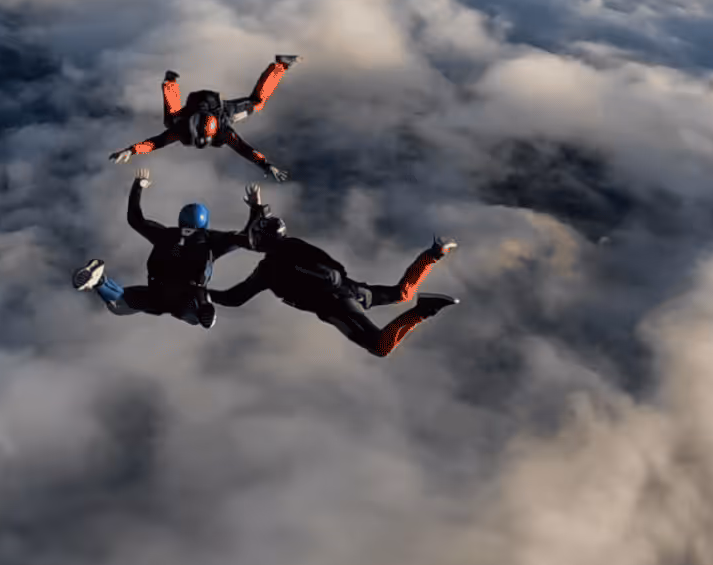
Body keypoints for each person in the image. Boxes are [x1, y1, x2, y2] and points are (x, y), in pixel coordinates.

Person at [210, 194, 459, 356]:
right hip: (349, 292)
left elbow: (235, 297)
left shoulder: (270, 268)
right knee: (401, 293)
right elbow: (333, 270)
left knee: (381, 346)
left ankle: (425, 308)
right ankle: (435, 253)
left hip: (337, 305)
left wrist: (201, 293)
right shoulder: (286, 251)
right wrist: (256, 210)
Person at [71, 170, 260, 329]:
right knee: (196, 316)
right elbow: (248, 238)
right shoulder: (211, 239)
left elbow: (135, 219)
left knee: (119, 303)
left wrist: (138, 186)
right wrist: (256, 208)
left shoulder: (165, 234)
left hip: (157, 291)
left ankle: (100, 282)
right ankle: (203, 307)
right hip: (188, 295)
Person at [108, 55, 301, 181]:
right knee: (172, 122)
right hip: (199, 109)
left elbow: (244, 149)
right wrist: (131, 151)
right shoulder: (184, 127)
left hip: (221, 109)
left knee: (256, 104)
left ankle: (281, 64)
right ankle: (169, 82)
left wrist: (131, 150)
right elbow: (155, 143)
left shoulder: (222, 128)